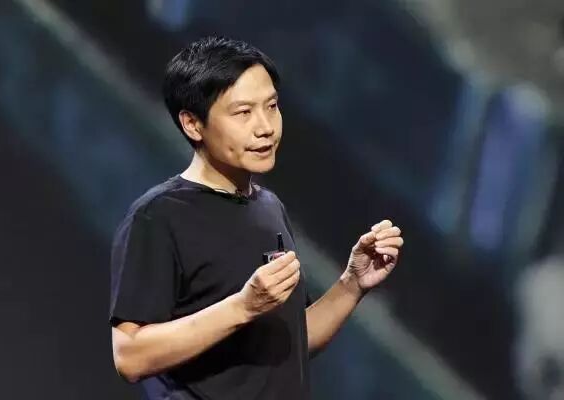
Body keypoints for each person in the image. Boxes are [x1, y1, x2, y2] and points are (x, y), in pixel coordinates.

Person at [109, 35, 404, 400]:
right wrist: (243, 307)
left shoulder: (268, 207)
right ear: (193, 124)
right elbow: (130, 356)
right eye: (243, 113)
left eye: (272, 106)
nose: (265, 127)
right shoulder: (159, 216)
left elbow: (291, 344)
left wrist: (352, 284)